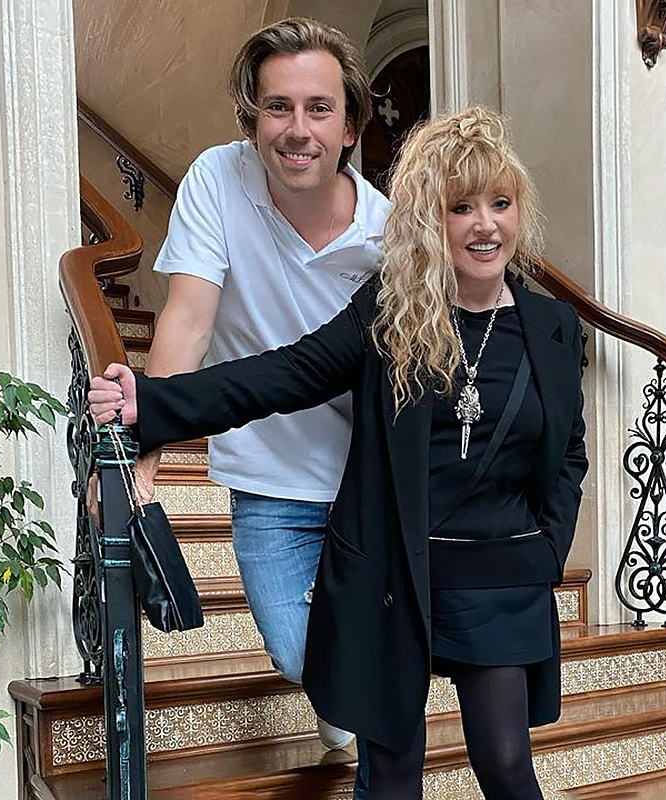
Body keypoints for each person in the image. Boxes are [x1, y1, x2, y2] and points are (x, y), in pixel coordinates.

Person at [91, 107, 588, 800]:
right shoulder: (391, 313)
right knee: (391, 777)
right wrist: (151, 402)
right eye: (462, 207)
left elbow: (568, 453)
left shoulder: (553, 327)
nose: (486, 225)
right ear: (430, 220)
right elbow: (285, 374)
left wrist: (548, 549)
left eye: (500, 204)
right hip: (396, 573)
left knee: (507, 767)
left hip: (501, 578)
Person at [134, 17, 388, 753]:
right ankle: (340, 702)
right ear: (253, 119)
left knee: (368, 652)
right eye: (278, 107)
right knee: (293, 653)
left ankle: (369, 733)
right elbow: (187, 320)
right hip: (269, 476)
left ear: (349, 127)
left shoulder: (389, 233)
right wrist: (145, 450)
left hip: (367, 477)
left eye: (319, 109)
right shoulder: (219, 179)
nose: (297, 129)